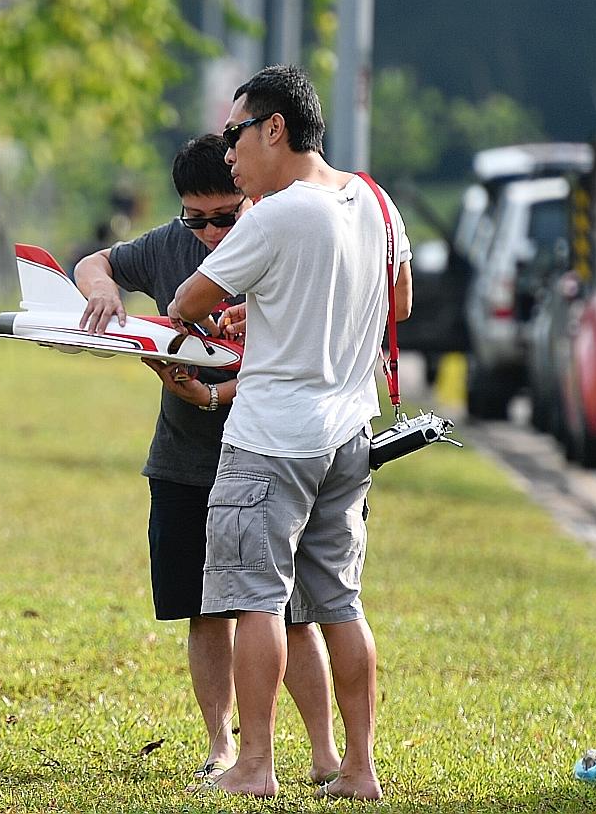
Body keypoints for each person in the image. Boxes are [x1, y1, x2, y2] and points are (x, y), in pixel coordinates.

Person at [167, 66, 413, 800]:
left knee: (255, 601)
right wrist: (279, 310)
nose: (231, 157)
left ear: (275, 127)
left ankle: (255, 765)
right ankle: (360, 770)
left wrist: (246, 305)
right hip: (347, 434)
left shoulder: (276, 212)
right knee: (340, 604)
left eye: (236, 136)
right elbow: (396, 301)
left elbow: (187, 300)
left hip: (272, 436)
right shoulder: (373, 198)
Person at [73, 134, 342, 791]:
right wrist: (104, 289)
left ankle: (324, 753)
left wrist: (213, 393)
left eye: (225, 216)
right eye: (196, 220)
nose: (212, 234)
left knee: (292, 612)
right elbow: (93, 262)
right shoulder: (168, 244)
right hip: (185, 460)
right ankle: (223, 747)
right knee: (203, 608)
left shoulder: (281, 233)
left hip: (270, 451)